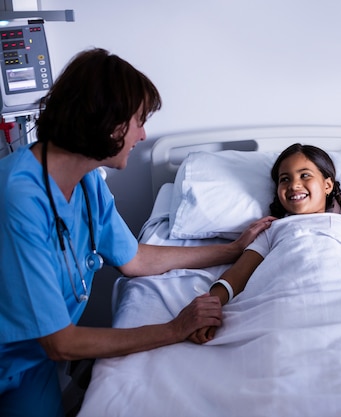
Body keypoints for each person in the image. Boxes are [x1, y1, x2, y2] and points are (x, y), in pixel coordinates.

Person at [0, 48, 273, 417]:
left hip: (29, 363)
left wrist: (231, 251)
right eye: (139, 121)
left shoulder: (87, 185)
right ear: (109, 123)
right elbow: (61, 342)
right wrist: (175, 329)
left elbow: (136, 258)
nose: (143, 135)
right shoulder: (19, 198)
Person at [200, 143, 341, 342]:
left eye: (305, 175)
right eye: (284, 179)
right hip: (284, 302)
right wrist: (211, 306)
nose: (294, 184)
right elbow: (236, 276)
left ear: (327, 185)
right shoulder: (273, 229)